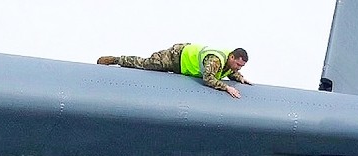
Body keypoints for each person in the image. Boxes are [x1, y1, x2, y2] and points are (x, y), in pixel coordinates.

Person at [97, 44, 251, 98]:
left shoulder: (228, 64)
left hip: (182, 66)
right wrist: (226, 87)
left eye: (241, 67)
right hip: (176, 57)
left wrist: (239, 77)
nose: (238, 68)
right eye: (237, 64)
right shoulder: (216, 59)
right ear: (231, 57)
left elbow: (229, 71)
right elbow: (208, 78)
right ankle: (116, 60)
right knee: (148, 64)